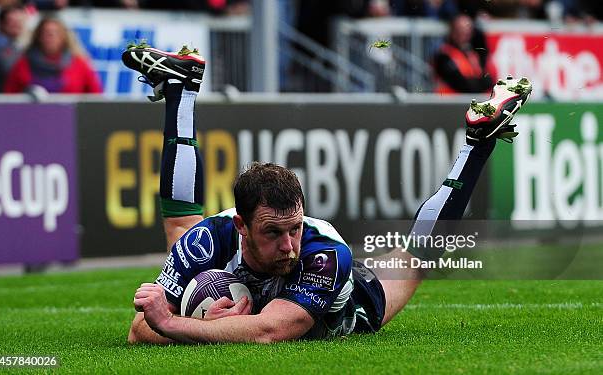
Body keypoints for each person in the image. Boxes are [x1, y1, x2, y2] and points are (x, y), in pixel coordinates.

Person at [124, 43, 532, 344]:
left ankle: (478, 141)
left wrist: (181, 324)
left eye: (294, 228)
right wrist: (181, 323)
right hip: (228, 251)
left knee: (416, 254)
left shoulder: (324, 254)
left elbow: (273, 330)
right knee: (182, 225)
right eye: (272, 233)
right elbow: (138, 331)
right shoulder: (206, 242)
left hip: (357, 299)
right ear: (241, 226)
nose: (288, 245)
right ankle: (181, 92)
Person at [3, 16, 102, 94]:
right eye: (46, 33)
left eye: (55, 33)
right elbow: (10, 96)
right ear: (39, 36)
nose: (51, 37)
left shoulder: (80, 65)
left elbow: (96, 97)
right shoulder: (23, 64)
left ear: (64, 37)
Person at [433, 14, 495, 95]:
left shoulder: (473, 54)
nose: (464, 34)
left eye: (467, 30)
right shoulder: (444, 55)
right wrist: (479, 84)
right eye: (460, 30)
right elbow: (460, 83)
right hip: (449, 103)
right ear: (453, 31)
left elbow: (488, 80)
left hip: (470, 102)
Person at [0, 5, 25, 92]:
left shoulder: (18, 44)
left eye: (20, 21)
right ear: (1, 23)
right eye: (12, 21)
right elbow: (8, 68)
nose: (17, 25)